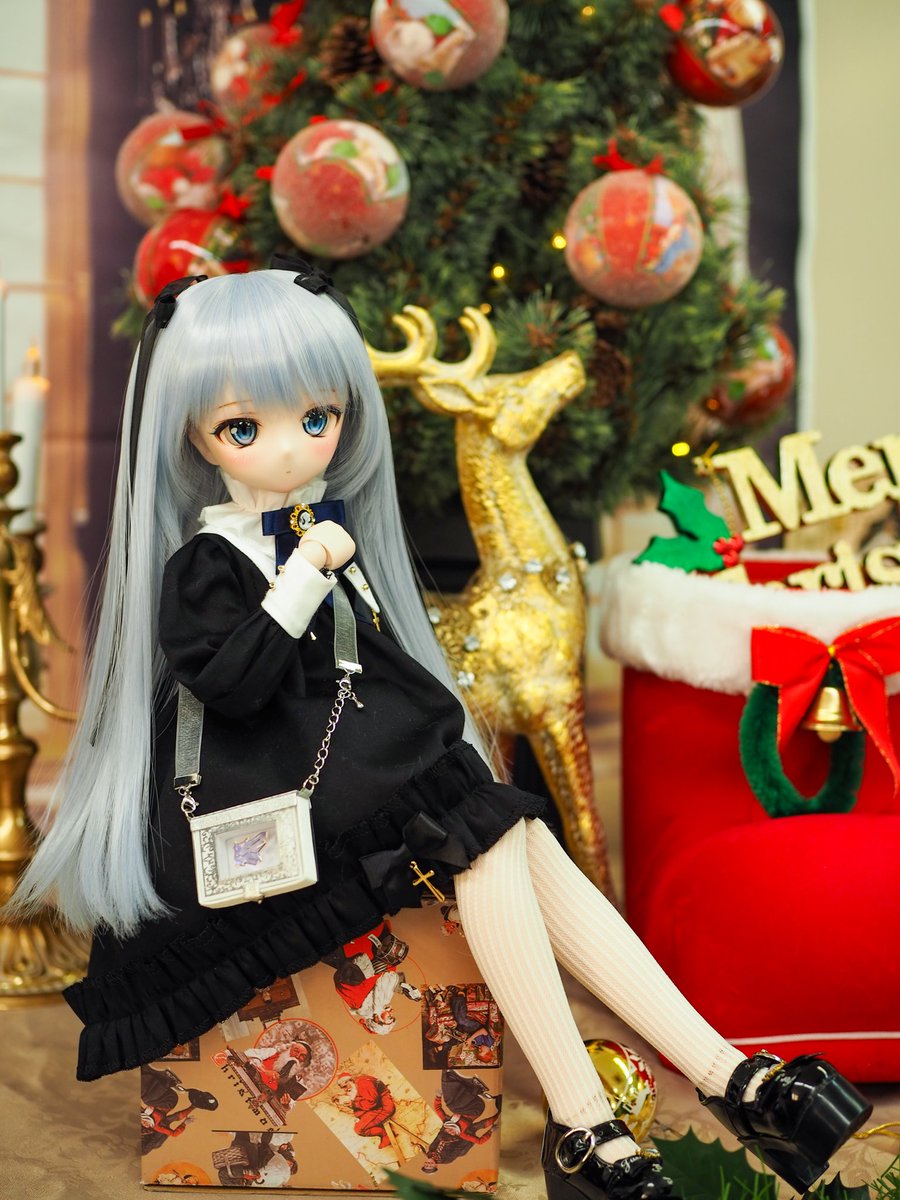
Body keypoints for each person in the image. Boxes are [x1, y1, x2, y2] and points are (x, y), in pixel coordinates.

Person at [9, 266, 871, 1200]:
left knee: (509, 824)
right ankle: (604, 1115)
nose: (291, 449)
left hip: (340, 769)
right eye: (243, 428)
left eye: (318, 418)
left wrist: (323, 570)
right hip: (253, 795)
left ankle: (729, 1080)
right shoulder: (209, 564)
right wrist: (303, 574)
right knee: (483, 826)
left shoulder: (321, 533)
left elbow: (382, 680)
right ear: (193, 434)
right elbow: (236, 684)